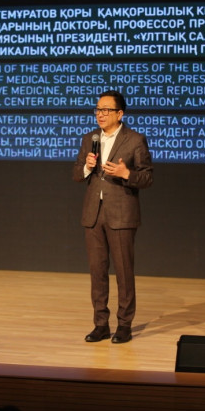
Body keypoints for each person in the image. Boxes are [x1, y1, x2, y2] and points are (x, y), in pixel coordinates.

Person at [72, 90, 153, 344]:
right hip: (93, 214)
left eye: (106, 110)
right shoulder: (90, 139)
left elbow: (147, 177)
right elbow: (76, 174)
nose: (101, 114)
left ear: (120, 114)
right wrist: (87, 166)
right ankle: (100, 324)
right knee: (97, 271)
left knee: (123, 271)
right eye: (98, 109)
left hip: (121, 214)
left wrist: (125, 173)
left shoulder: (135, 140)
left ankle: (124, 325)